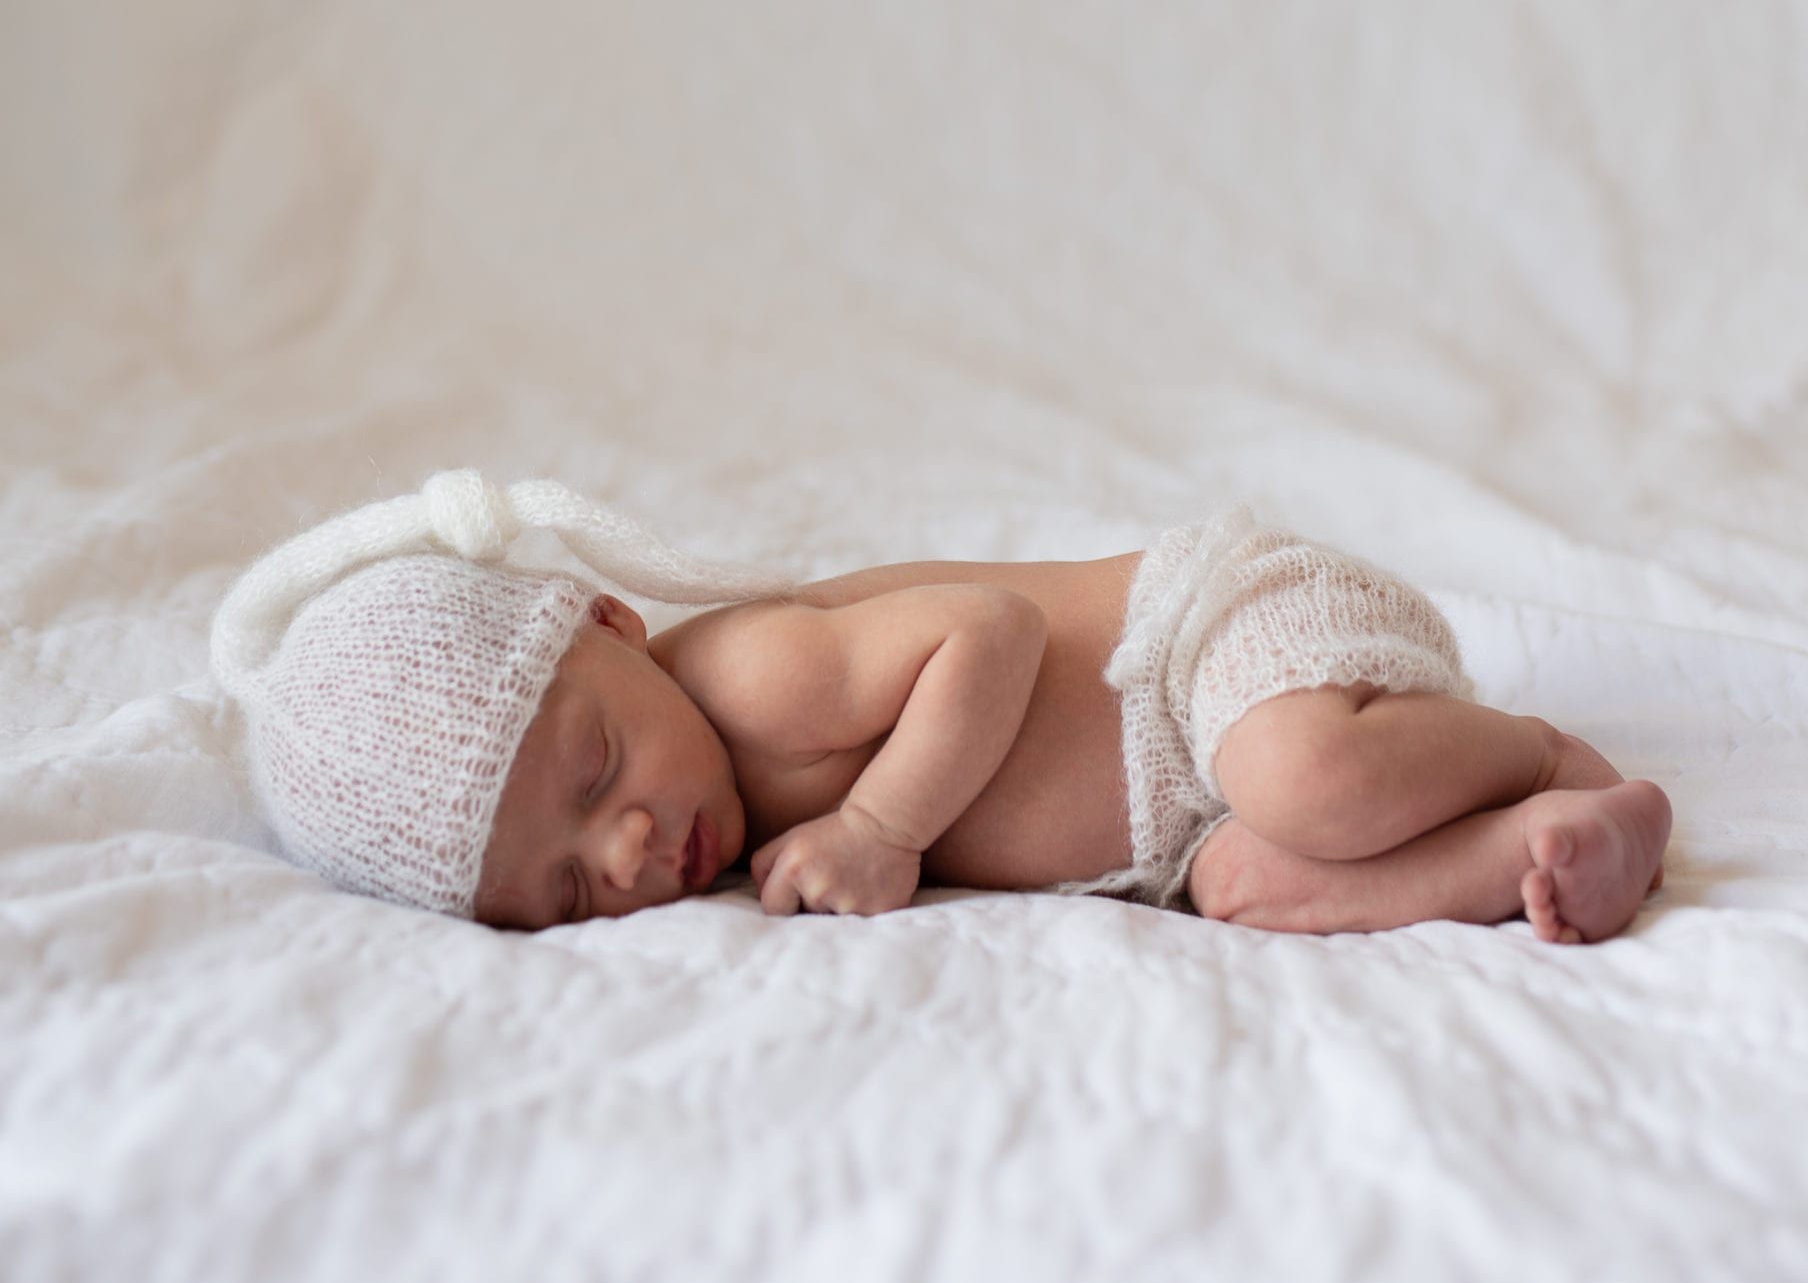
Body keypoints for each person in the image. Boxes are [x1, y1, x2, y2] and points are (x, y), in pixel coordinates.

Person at [210, 469, 1671, 944]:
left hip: (1207, 646)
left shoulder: (748, 680)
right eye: (564, 889)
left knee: (1300, 781)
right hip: (1187, 815)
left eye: (595, 769)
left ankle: (1537, 753)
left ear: (610, 625)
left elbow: (993, 631)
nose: (630, 846)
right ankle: (1543, 850)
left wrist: (882, 826)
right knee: (1251, 883)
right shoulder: (707, 822)